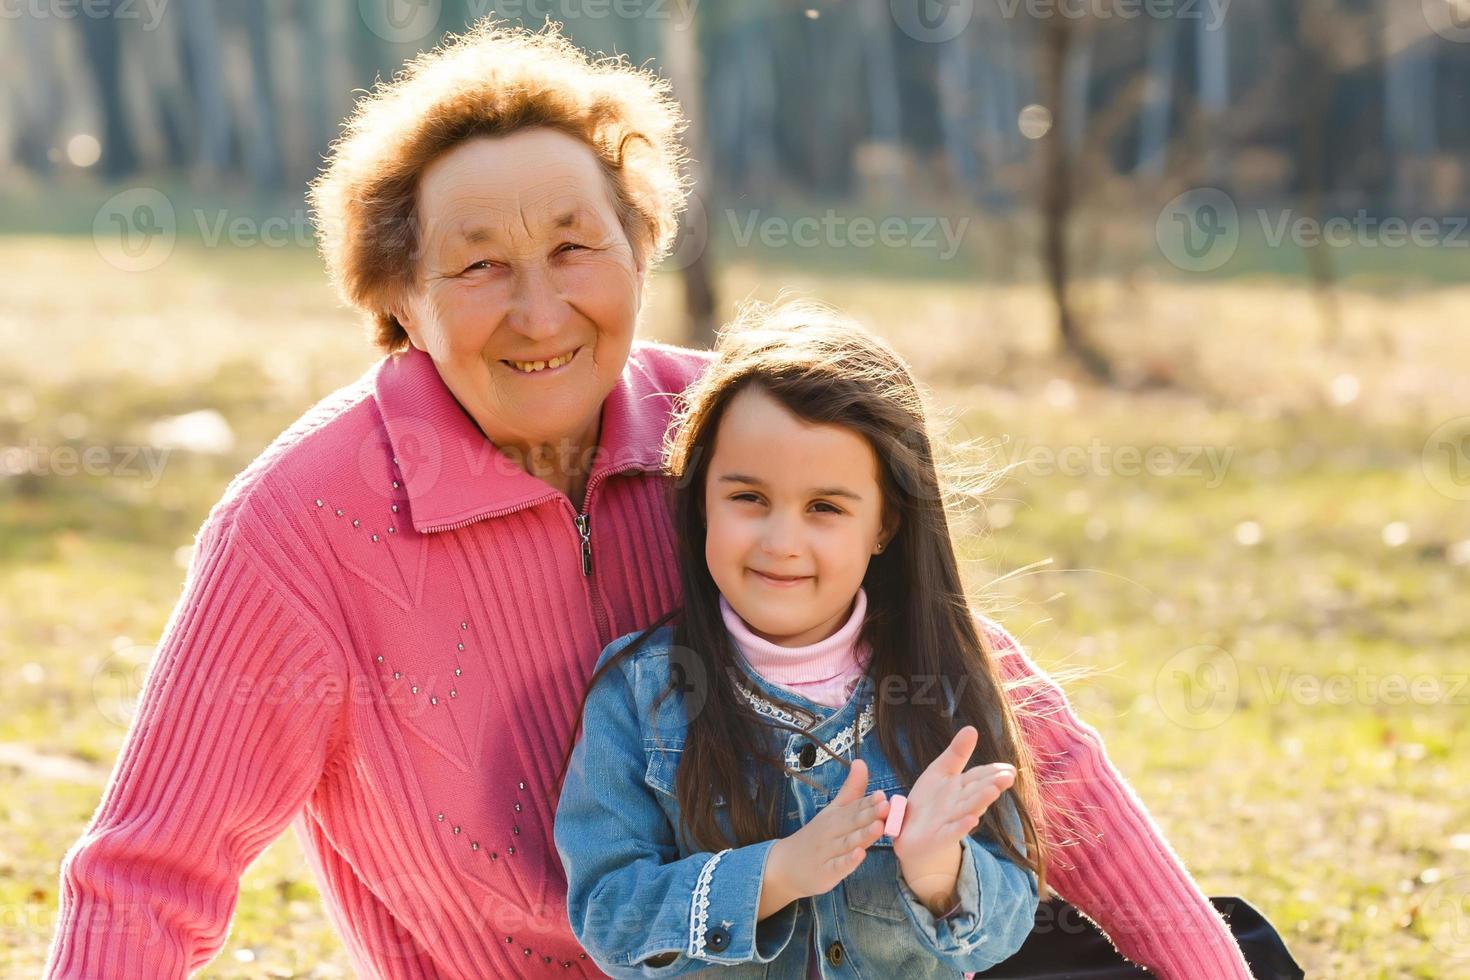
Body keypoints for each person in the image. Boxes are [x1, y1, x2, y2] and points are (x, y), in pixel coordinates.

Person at [43, 19, 1253, 980]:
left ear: (641, 247)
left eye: (577, 246)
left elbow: (1008, 727)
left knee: (1232, 943)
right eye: (476, 266)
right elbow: (150, 874)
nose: (538, 309)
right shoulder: (304, 528)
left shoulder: (727, 433)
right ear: (398, 298)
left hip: (858, 943)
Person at [555, 301, 1041, 977]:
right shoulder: (640, 691)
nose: (782, 542)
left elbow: (1011, 918)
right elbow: (609, 915)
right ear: (701, 503)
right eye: (748, 497)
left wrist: (938, 868)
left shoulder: (943, 683)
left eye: (825, 508)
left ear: (885, 525)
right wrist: (773, 875)